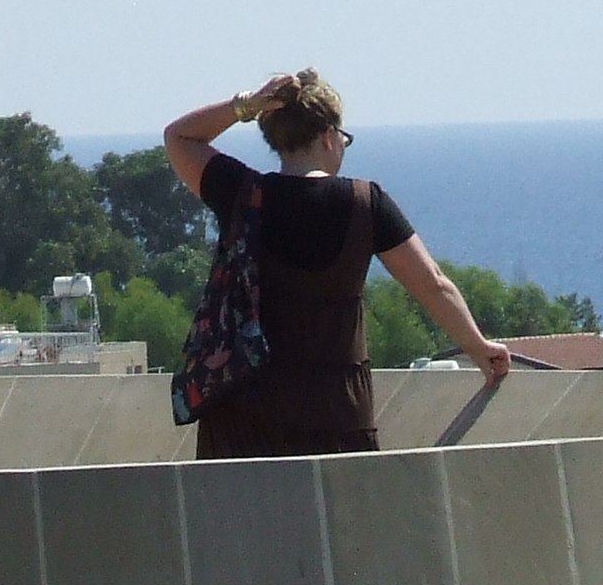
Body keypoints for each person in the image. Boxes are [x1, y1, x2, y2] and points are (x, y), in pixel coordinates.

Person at [163, 69, 509, 459]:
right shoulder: (366, 203)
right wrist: (478, 347)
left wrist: (248, 105)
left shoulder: (241, 193)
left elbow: (179, 137)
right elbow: (432, 283)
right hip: (336, 414)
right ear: (328, 136)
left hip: (242, 416)